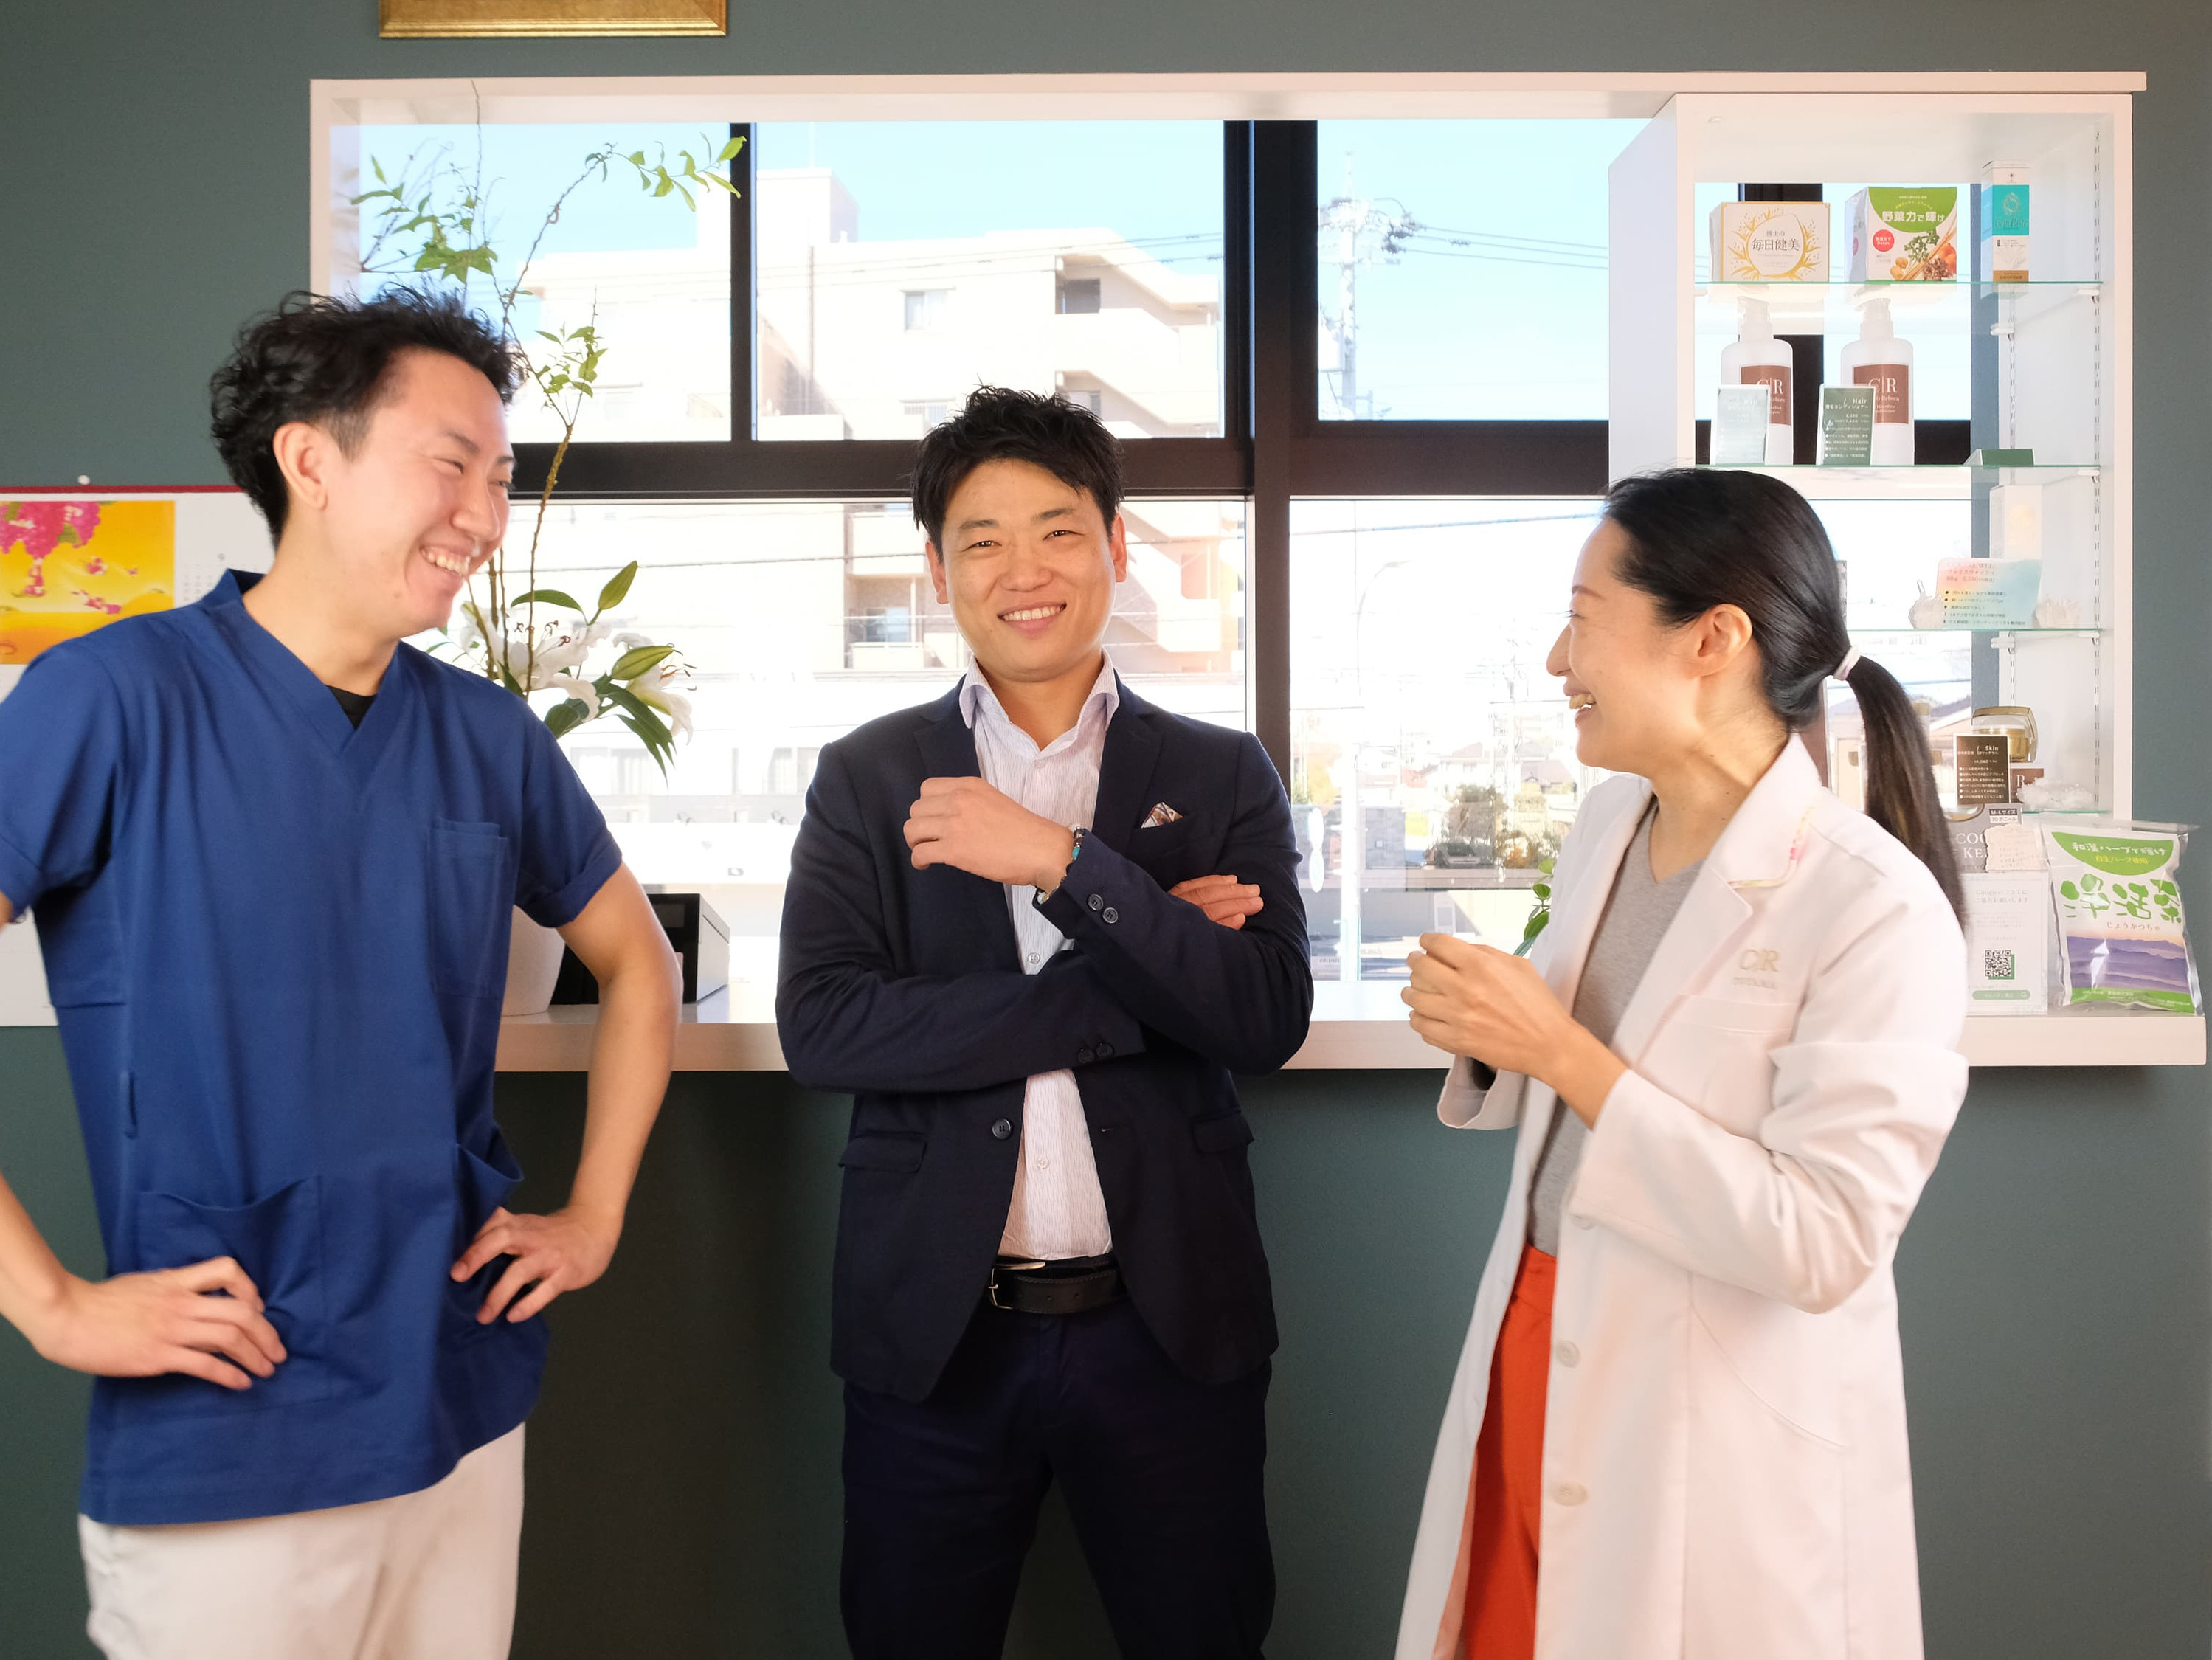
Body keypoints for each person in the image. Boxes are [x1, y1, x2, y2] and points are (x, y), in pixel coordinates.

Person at [0, 288, 680, 1660]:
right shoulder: (112, 697)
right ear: (310, 460)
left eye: (500, 479)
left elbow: (638, 964)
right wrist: (53, 1305)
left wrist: (595, 1216)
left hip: (455, 1404)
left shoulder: (486, 735)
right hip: (227, 1429)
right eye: (451, 465)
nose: (483, 516)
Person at [1394, 467, 1969, 1660]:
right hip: (1539, 1331)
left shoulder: (1871, 905)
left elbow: (1821, 1240)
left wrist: (1554, 1047)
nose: (1557, 660)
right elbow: (1577, 1051)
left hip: (1714, 1420)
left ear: (1711, 640)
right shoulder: (1610, 824)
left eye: (1582, 618)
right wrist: (1491, 1030)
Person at [776, 387, 1312, 1659]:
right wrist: (1139, 964)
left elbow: (1260, 1014)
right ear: (937, 569)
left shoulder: (1218, 770)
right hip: (936, 1331)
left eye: (1058, 531)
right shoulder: (866, 775)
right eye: (983, 540)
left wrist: (1063, 863)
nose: (1024, 571)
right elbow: (829, 1028)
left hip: (1169, 1325)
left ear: (1115, 545)